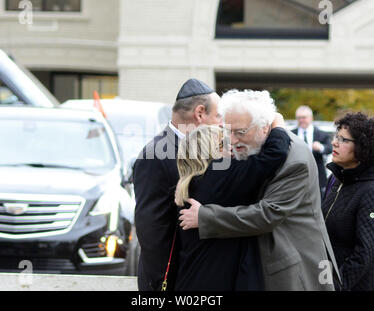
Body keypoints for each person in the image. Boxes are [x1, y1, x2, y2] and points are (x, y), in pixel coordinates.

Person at [179, 90, 339, 291]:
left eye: (240, 132)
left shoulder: (294, 159)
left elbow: (268, 214)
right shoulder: (252, 147)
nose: (232, 140)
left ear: (264, 128)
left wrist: (206, 217)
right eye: (228, 131)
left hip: (288, 267)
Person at [174, 96, 291, 290]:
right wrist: (277, 124)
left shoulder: (187, 185)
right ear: (208, 153)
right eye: (222, 144)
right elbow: (273, 155)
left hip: (189, 280)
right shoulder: (219, 175)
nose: (231, 146)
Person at [133, 78, 222, 291]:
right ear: (200, 113)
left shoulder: (205, 147)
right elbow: (151, 231)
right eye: (218, 115)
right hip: (168, 282)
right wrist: (164, 284)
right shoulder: (155, 155)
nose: (221, 122)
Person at [322, 112, 374, 291]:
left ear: (363, 146)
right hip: (330, 278)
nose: (334, 142)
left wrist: (335, 286)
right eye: (336, 137)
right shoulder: (340, 178)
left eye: (343, 140)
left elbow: (365, 253)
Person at [292, 105, 332, 195]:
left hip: (317, 175)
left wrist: (321, 147)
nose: (301, 120)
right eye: (298, 118)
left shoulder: (322, 134)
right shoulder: (291, 133)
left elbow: (330, 149)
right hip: (296, 175)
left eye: (304, 117)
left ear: (311, 118)